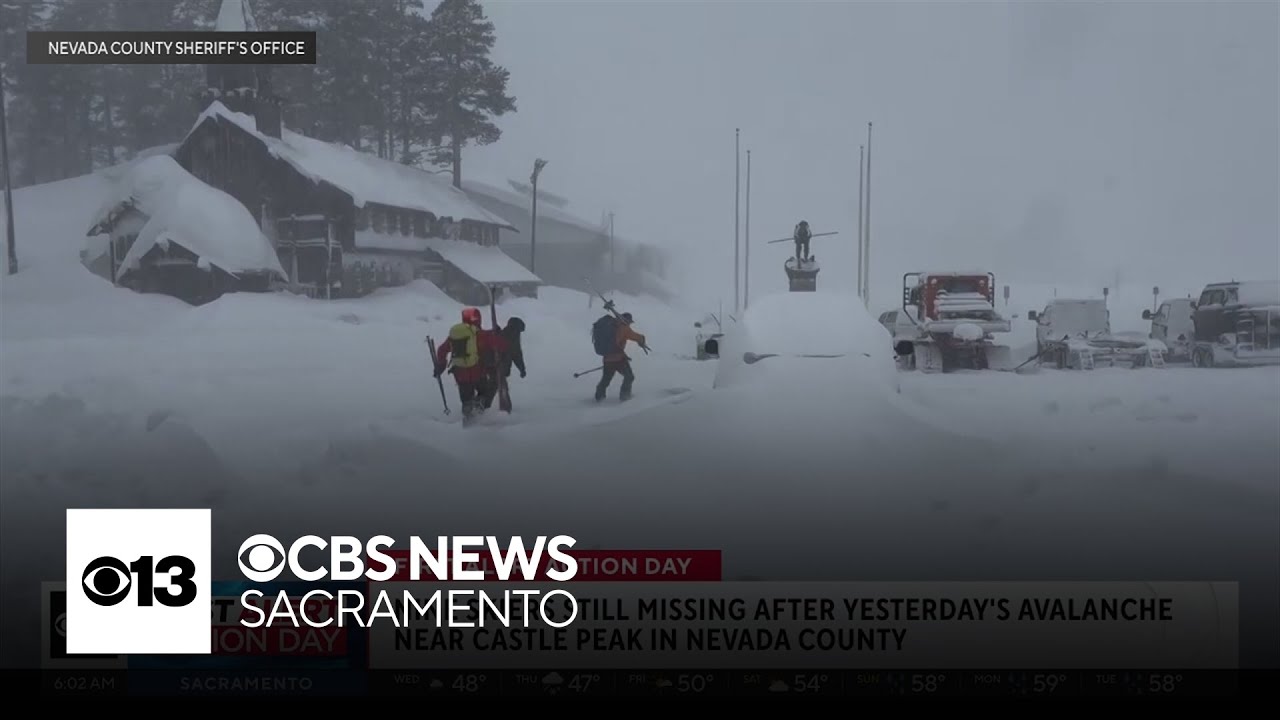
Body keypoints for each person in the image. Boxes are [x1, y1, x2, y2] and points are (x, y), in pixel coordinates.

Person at [435, 307, 507, 423]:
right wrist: (498, 334)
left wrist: (441, 365)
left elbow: (442, 350)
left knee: (466, 401)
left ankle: (468, 424)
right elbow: (502, 345)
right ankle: (480, 413)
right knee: (485, 392)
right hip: (478, 373)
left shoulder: (456, 336)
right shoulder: (482, 335)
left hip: (460, 375)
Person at [595, 311, 649, 402]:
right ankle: (625, 397)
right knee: (629, 376)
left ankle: (599, 397)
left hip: (607, 359)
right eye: (630, 322)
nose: (629, 324)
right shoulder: (624, 328)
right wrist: (642, 339)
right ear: (627, 320)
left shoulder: (612, 325)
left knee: (606, 379)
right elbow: (636, 337)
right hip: (619, 359)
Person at [481, 317, 527, 410]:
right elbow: (516, 354)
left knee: (495, 386)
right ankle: (485, 406)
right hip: (499, 367)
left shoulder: (501, 333)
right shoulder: (512, 336)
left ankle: (484, 406)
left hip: (494, 366)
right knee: (497, 387)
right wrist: (522, 369)